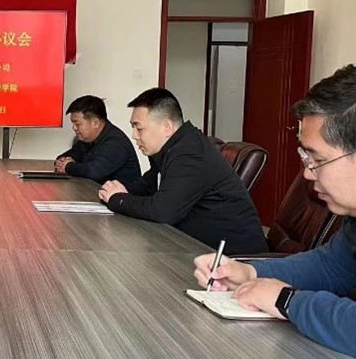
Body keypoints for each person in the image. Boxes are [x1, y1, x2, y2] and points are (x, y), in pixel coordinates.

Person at [194, 64, 356, 359]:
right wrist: (248, 272)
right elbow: (333, 266)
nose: (308, 174)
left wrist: (288, 301)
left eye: (318, 160)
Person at [99, 87, 266, 255]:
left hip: (233, 259)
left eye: (139, 128)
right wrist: (113, 190)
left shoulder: (191, 153)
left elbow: (162, 211)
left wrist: (118, 198)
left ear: (167, 127)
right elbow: (146, 186)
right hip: (195, 249)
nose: (134, 135)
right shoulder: (173, 149)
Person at [54, 95, 141, 185]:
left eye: (77, 124)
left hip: (123, 193)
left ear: (95, 123)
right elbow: (63, 158)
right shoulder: (87, 140)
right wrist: (62, 163)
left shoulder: (115, 142)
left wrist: (68, 166)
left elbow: (94, 172)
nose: (74, 128)